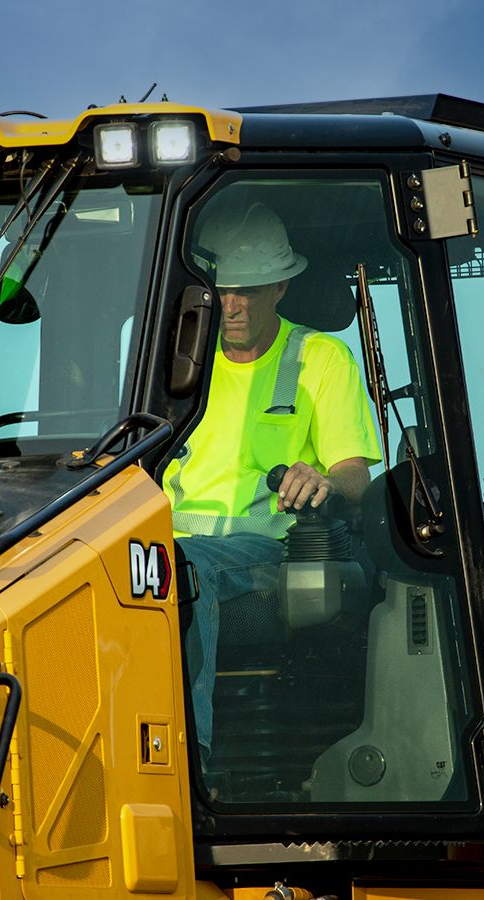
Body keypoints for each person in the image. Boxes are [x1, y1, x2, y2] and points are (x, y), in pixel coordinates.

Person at [163, 199, 382, 759]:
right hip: (163, 544)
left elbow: (355, 476)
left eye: (248, 292)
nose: (231, 306)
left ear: (280, 287)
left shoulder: (320, 359)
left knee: (180, 573)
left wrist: (323, 482)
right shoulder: (176, 365)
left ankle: (189, 760)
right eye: (222, 291)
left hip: (266, 549)